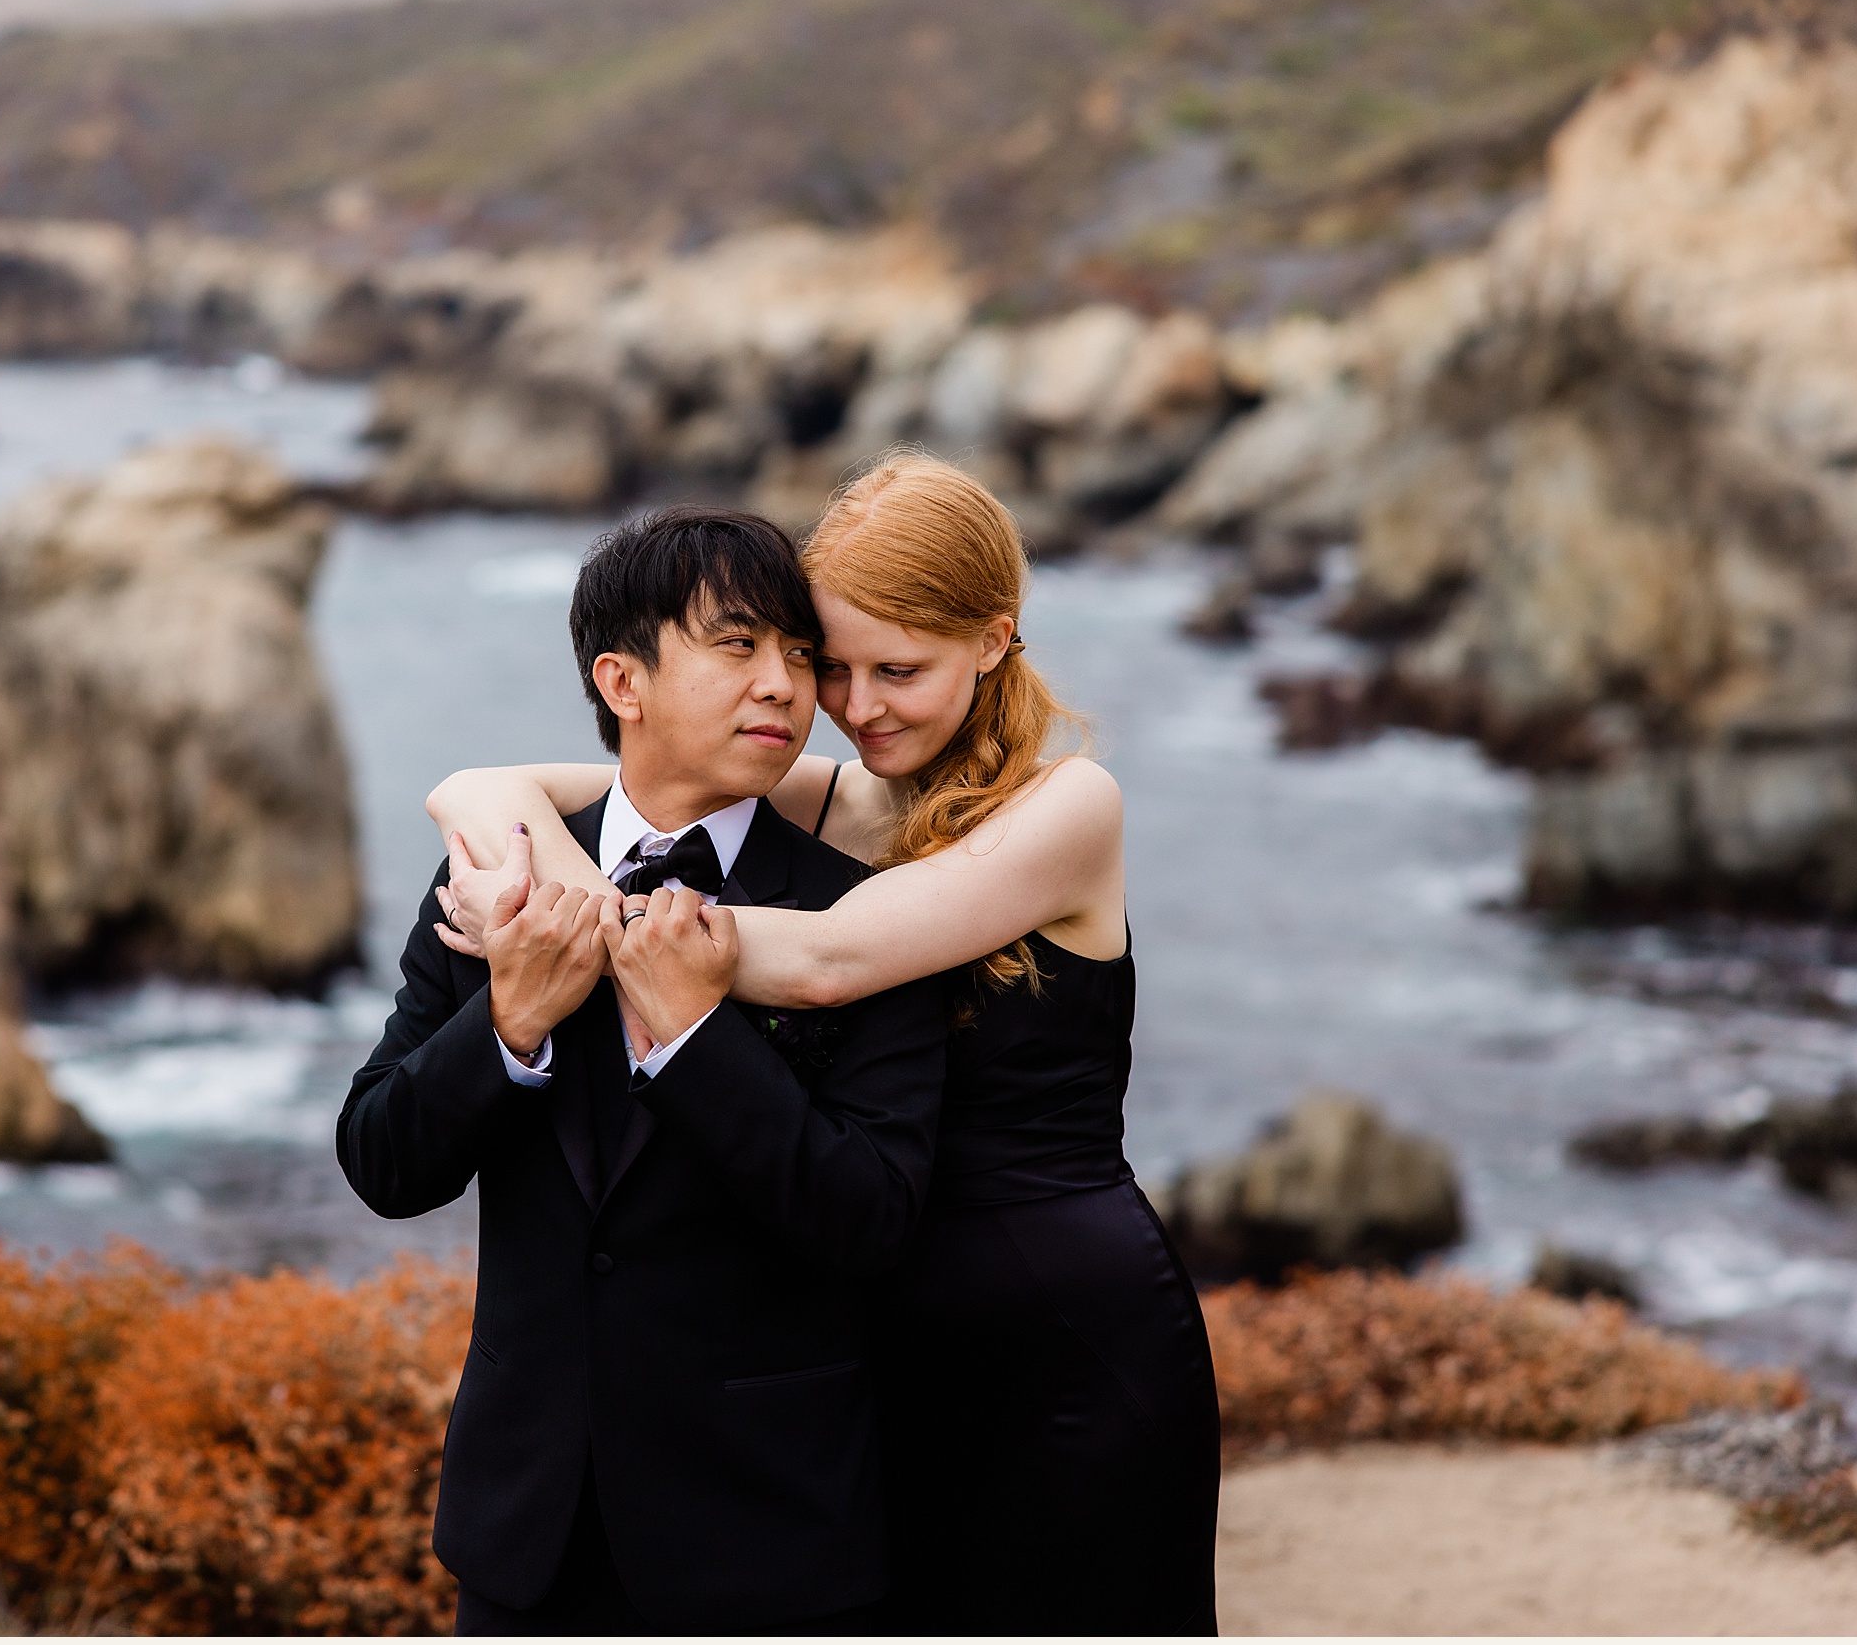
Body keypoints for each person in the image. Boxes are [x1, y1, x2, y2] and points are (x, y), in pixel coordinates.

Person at [428, 451, 1222, 1635]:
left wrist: (581, 927)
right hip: (871, 1326)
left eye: (899, 669)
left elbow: (831, 958)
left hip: (1053, 1325)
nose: (858, 707)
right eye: (831, 665)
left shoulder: (1068, 807)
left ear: (996, 638)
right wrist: (497, 841)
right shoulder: (840, 796)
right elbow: (488, 785)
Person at [337, 505, 948, 1635]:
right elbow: (380, 1157)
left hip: (766, 1537)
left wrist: (692, 1041)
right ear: (620, 679)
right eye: (737, 644)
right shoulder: (490, 876)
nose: (783, 685)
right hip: (526, 1529)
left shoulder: (861, 915)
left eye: (799, 653)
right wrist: (509, 1021)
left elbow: (875, 1216)